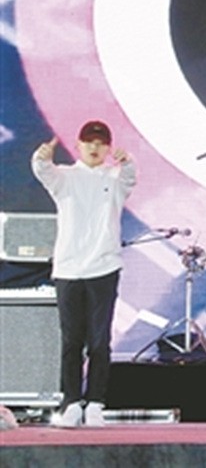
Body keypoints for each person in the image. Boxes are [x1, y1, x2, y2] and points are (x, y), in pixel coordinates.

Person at [31, 121, 137, 428]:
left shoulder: (114, 178)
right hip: (68, 269)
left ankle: (96, 403)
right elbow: (43, 170)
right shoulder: (65, 177)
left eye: (101, 143)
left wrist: (128, 160)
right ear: (78, 145)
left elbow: (130, 176)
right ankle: (72, 402)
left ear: (108, 148)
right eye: (89, 142)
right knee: (71, 341)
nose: (94, 147)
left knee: (99, 341)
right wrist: (41, 156)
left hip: (104, 267)